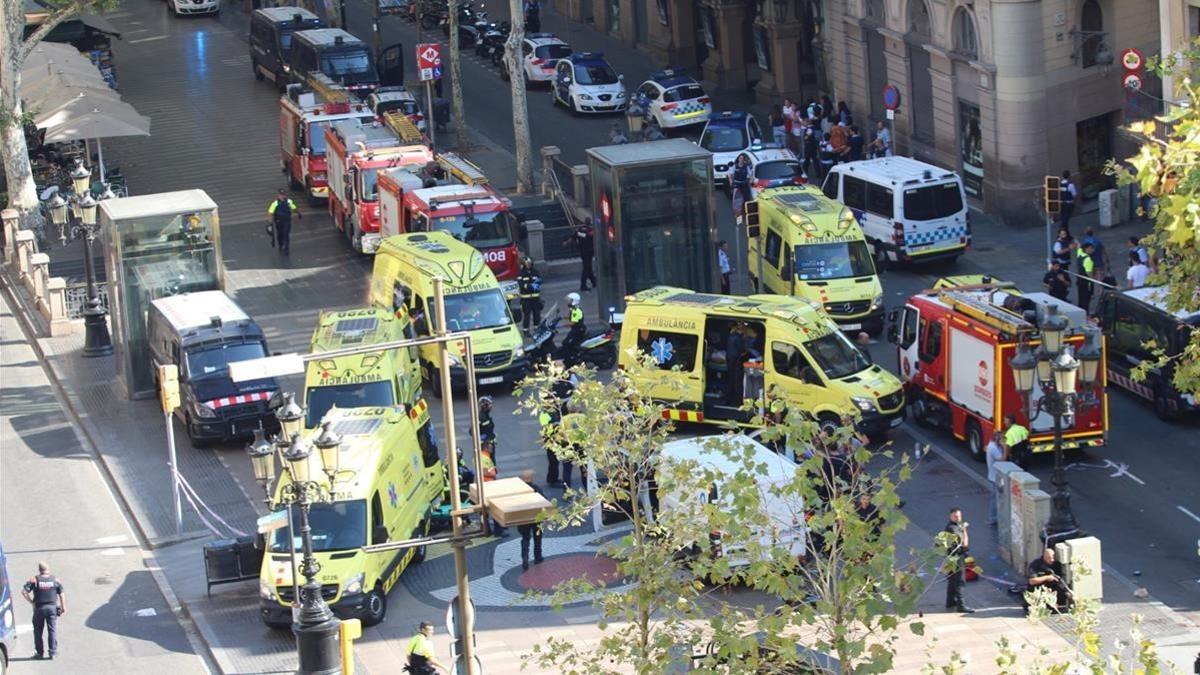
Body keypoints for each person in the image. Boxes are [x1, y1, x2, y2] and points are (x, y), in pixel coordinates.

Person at [22, 562, 65, 660]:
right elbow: (62, 594)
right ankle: (52, 652)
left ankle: (39, 653)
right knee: (52, 630)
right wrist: (63, 607)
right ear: (48, 569)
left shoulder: (34, 580)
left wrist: (31, 602)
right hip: (52, 609)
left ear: (39, 570)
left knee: (38, 631)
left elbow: (24, 592)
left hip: (39, 609)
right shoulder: (55, 580)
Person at [943, 508, 974, 613]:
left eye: (959, 516)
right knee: (960, 581)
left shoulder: (951, 526)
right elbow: (964, 544)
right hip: (957, 557)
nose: (958, 518)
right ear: (950, 516)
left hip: (951, 557)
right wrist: (964, 529)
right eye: (955, 516)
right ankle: (961, 605)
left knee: (952, 579)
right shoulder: (953, 528)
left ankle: (950, 601)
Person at [1023, 548, 1070, 613]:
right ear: (1044, 557)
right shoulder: (1036, 565)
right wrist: (1047, 577)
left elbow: (1060, 580)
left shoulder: (1056, 564)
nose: (1052, 560)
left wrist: (1066, 592)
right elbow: (1032, 581)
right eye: (1049, 558)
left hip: (1050, 590)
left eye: (1053, 558)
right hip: (1038, 591)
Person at [517, 470, 546, 570]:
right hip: (536, 518)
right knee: (537, 537)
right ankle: (538, 557)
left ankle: (525, 558)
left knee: (525, 538)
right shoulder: (537, 489)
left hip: (524, 519)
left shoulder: (519, 491)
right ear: (532, 479)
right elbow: (544, 502)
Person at [267, 188, 301, 255]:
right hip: (278, 222)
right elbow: (270, 213)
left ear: (285, 195)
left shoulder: (289, 201)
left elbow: (294, 208)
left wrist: (298, 213)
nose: (282, 196)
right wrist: (270, 223)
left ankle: (286, 248)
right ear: (278, 195)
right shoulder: (275, 203)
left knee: (286, 234)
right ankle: (280, 245)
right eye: (281, 195)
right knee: (280, 234)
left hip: (287, 221)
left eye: (283, 195)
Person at [559, 292, 586, 366]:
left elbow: (573, 323)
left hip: (578, 331)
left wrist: (561, 325)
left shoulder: (576, 311)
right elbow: (570, 317)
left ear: (574, 301)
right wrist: (561, 317)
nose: (568, 301)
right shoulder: (573, 309)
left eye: (570, 300)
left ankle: (569, 361)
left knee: (566, 343)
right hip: (575, 330)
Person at [985, 435, 1007, 525]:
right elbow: (1003, 460)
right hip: (996, 478)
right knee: (996, 498)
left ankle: (995, 517)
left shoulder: (992, 446)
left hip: (994, 476)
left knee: (997, 497)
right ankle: (993, 518)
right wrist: (1005, 448)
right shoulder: (994, 448)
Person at [517, 256, 542, 333]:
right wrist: (530, 286)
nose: (529, 265)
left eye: (530, 263)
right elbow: (522, 285)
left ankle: (537, 328)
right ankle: (526, 330)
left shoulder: (536, 272)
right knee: (527, 315)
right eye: (527, 263)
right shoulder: (521, 273)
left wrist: (533, 285)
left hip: (536, 298)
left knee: (537, 314)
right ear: (524, 264)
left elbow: (539, 281)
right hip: (525, 299)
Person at [571, 218, 597, 292]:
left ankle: (594, 282)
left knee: (588, 267)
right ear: (590, 223)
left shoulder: (579, 230)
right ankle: (583, 285)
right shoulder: (590, 230)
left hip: (582, 252)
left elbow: (575, 236)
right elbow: (591, 235)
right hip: (588, 252)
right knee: (587, 268)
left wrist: (566, 243)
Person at [1076, 241, 1098, 316]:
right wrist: (1094, 279)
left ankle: (1080, 313)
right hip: (1086, 283)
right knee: (1086, 300)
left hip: (1079, 281)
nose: (1093, 250)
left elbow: (1078, 247)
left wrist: (1077, 242)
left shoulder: (1080, 254)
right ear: (1086, 249)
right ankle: (1085, 314)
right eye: (1091, 248)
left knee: (1081, 298)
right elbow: (1089, 273)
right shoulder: (1088, 259)